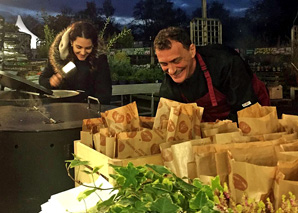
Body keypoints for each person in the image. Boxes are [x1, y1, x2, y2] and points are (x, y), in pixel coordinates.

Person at [154, 26, 270, 122]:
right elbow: (171, 124)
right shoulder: (168, 87)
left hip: (251, 109)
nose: (172, 70)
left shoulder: (225, 62)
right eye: (164, 64)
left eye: (176, 61)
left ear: (192, 50)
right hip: (212, 125)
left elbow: (246, 111)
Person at [39, 21, 112, 104]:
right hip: (61, 108)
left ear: (93, 45)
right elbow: (42, 80)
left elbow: (105, 94)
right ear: (71, 42)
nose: (83, 52)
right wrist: (51, 82)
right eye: (79, 47)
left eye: (88, 48)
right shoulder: (58, 56)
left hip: (89, 109)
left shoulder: (99, 59)